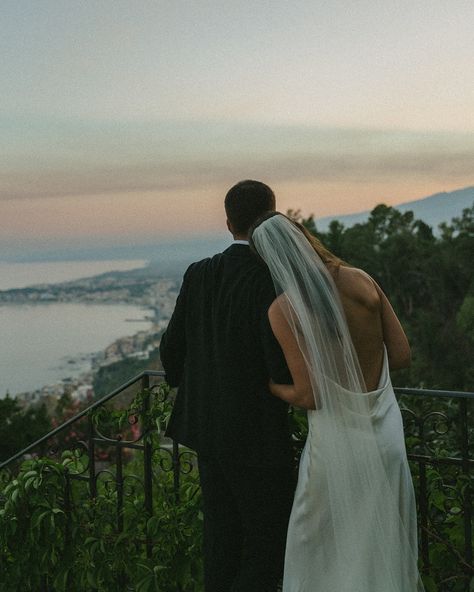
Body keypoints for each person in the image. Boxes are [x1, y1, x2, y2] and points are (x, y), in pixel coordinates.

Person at [249, 212, 424, 592]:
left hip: (336, 446)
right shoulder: (361, 279)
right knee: (382, 545)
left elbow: (307, 394)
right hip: (386, 436)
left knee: (314, 545)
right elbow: (402, 355)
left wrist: (271, 387)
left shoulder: (284, 310)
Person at [160, 181, 296, 592]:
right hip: (256, 436)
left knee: (220, 541)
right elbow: (280, 369)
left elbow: (172, 351)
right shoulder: (270, 279)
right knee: (268, 544)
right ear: (273, 217)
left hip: (204, 430)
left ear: (227, 222)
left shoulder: (198, 273)